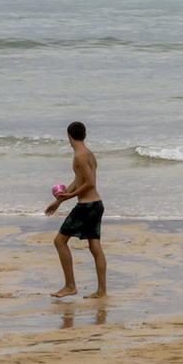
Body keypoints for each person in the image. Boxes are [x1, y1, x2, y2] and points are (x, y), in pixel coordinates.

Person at [44, 120, 106, 298]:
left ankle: (70, 286)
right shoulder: (88, 154)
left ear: (69, 136)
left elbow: (90, 183)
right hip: (97, 204)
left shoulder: (79, 156)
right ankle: (102, 291)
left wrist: (70, 196)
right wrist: (59, 201)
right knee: (95, 246)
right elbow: (81, 180)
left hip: (86, 207)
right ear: (84, 135)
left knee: (59, 241)